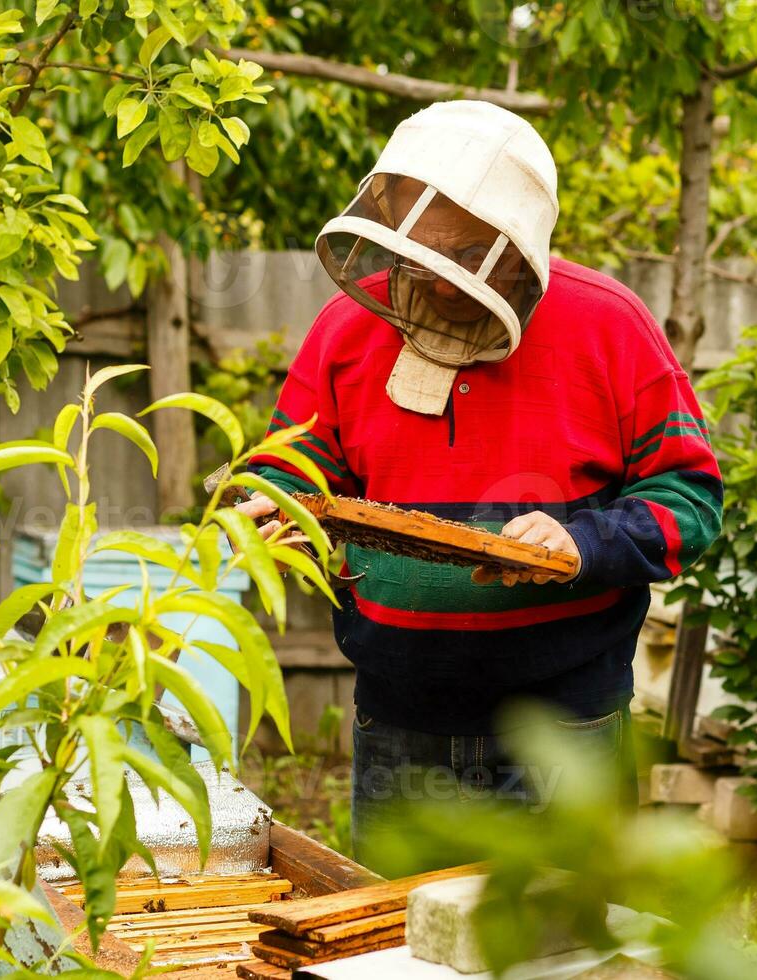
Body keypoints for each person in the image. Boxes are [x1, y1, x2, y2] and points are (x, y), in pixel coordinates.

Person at [236, 100, 723, 864]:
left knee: (560, 953)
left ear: (513, 243)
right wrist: (274, 501)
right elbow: (289, 463)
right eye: (414, 247)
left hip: (564, 728)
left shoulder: (610, 326)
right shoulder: (344, 329)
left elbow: (688, 501)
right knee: (392, 951)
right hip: (399, 723)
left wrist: (581, 541)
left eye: (459, 252)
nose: (432, 275)